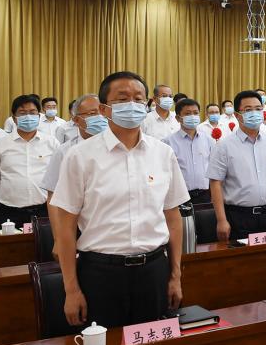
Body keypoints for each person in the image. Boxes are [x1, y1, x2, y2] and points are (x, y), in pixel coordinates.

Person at [50, 71, 188, 329]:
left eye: (138, 98)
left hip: (153, 270)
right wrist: (71, 289)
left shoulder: (163, 153)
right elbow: (66, 228)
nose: (132, 105)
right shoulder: (80, 156)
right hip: (101, 273)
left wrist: (175, 275)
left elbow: (173, 218)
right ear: (104, 109)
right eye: (123, 99)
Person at [208, 90, 266, 241]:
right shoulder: (224, 146)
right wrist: (221, 220)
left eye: (258, 109)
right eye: (248, 110)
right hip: (238, 216)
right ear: (237, 115)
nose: (254, 113)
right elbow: (215, 183)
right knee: (241, 255)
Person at [0, 94, 58, 229]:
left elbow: (60, 179)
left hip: (44, 211)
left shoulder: (52, 143)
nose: (28, 117)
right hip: (10, 213)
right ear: (14, 118)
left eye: (32, 112)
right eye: (22, 113)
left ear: (39, 116)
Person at [164, 98, 213, 205]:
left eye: (195, 113)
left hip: (205, 195)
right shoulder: (168, 142)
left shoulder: (208, 139)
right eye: (187, 113)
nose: (192, 116)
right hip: (180, 196)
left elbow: (213, 167)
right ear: (178, 118)